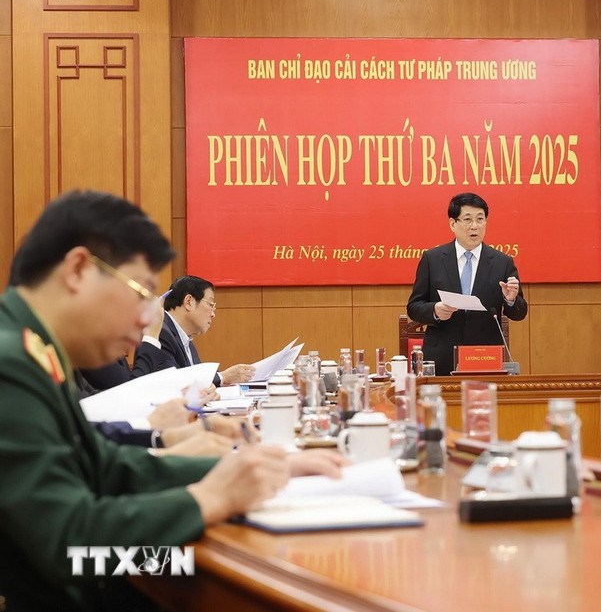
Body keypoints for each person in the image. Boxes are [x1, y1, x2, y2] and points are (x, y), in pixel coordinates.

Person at [0, 190, 346, 611]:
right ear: (77, 270)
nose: (148, 318)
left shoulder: (33, 350)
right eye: (141, 293)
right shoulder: (11, 363)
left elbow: (105, 464)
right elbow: (67, 544)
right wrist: (209, 498)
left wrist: (251, 470)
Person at [406, 193, 528, 375]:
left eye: (480, 219)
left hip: (485, 359)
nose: (475, 226)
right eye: (467, 219)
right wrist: (435, 310)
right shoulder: (432, 259)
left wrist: (510, 300)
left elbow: (519, 313)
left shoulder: (503, 263)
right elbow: (414, 307)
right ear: (452, 224)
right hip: (441, 359)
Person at [134, 274, 255, 386]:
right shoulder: (161, 332)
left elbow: (195, 377)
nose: (213, 314)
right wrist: (223, 377)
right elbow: (175, 382)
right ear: (189, 302)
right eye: (210, 304)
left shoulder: (185, 338)